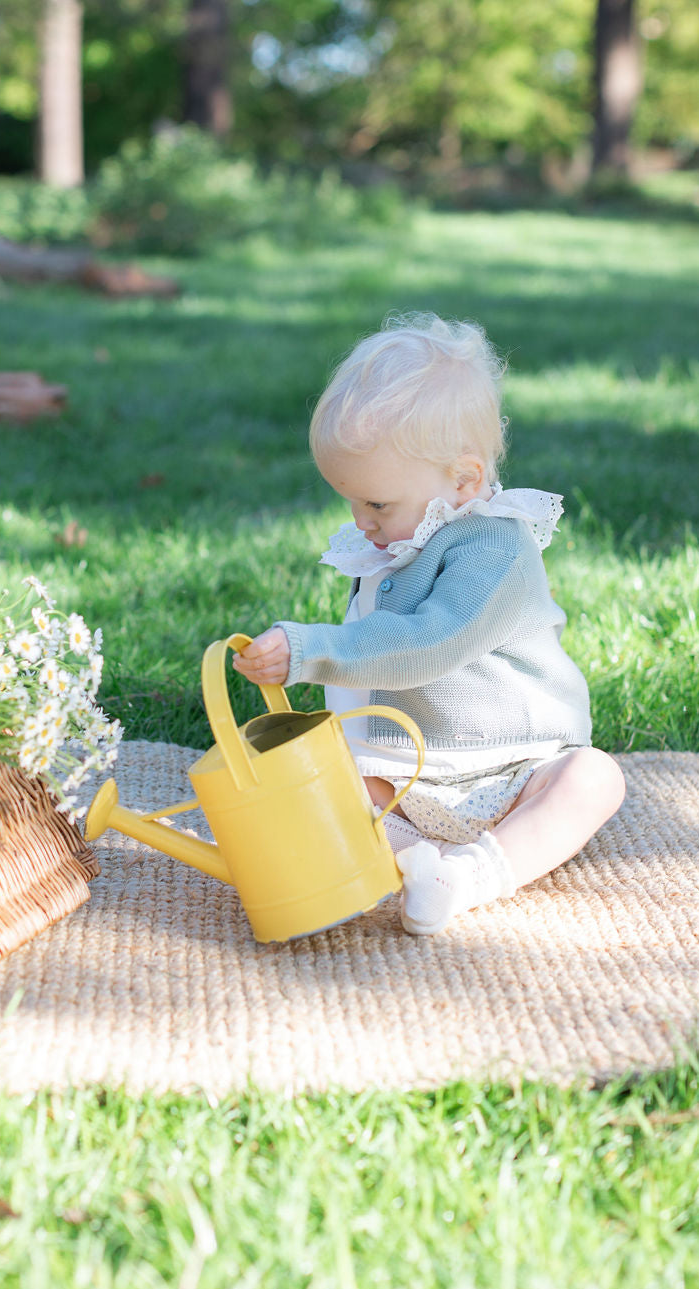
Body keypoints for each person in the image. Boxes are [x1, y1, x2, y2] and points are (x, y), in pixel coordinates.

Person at [232, 314, 625, 936]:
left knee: (595, 779)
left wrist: (312, 650)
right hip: (414, 764)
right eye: (352, 501)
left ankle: (475, 874)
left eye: (376, 504)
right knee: (318, 806)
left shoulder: (496, 549)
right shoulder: (406, 534)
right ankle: (412, 864)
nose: (362, 521)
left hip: (517, 760)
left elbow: (426, 643)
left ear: (464, 479)